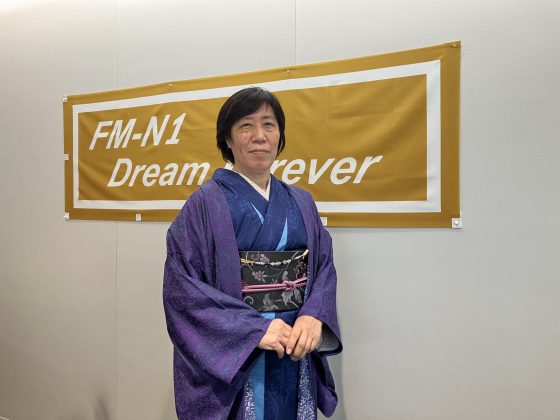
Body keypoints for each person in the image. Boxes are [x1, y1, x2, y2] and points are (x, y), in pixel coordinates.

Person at [163, 87, 342, 420]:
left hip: (294, 346)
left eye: (269, 125)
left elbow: (323, 268)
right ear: (227, 139)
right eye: (246, 125)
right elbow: (182, 292)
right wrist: (252, 330)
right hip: (240, 356)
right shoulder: (203, 205)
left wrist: (314, 315)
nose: (260, 136)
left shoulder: (302, 202)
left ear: (280, 136)